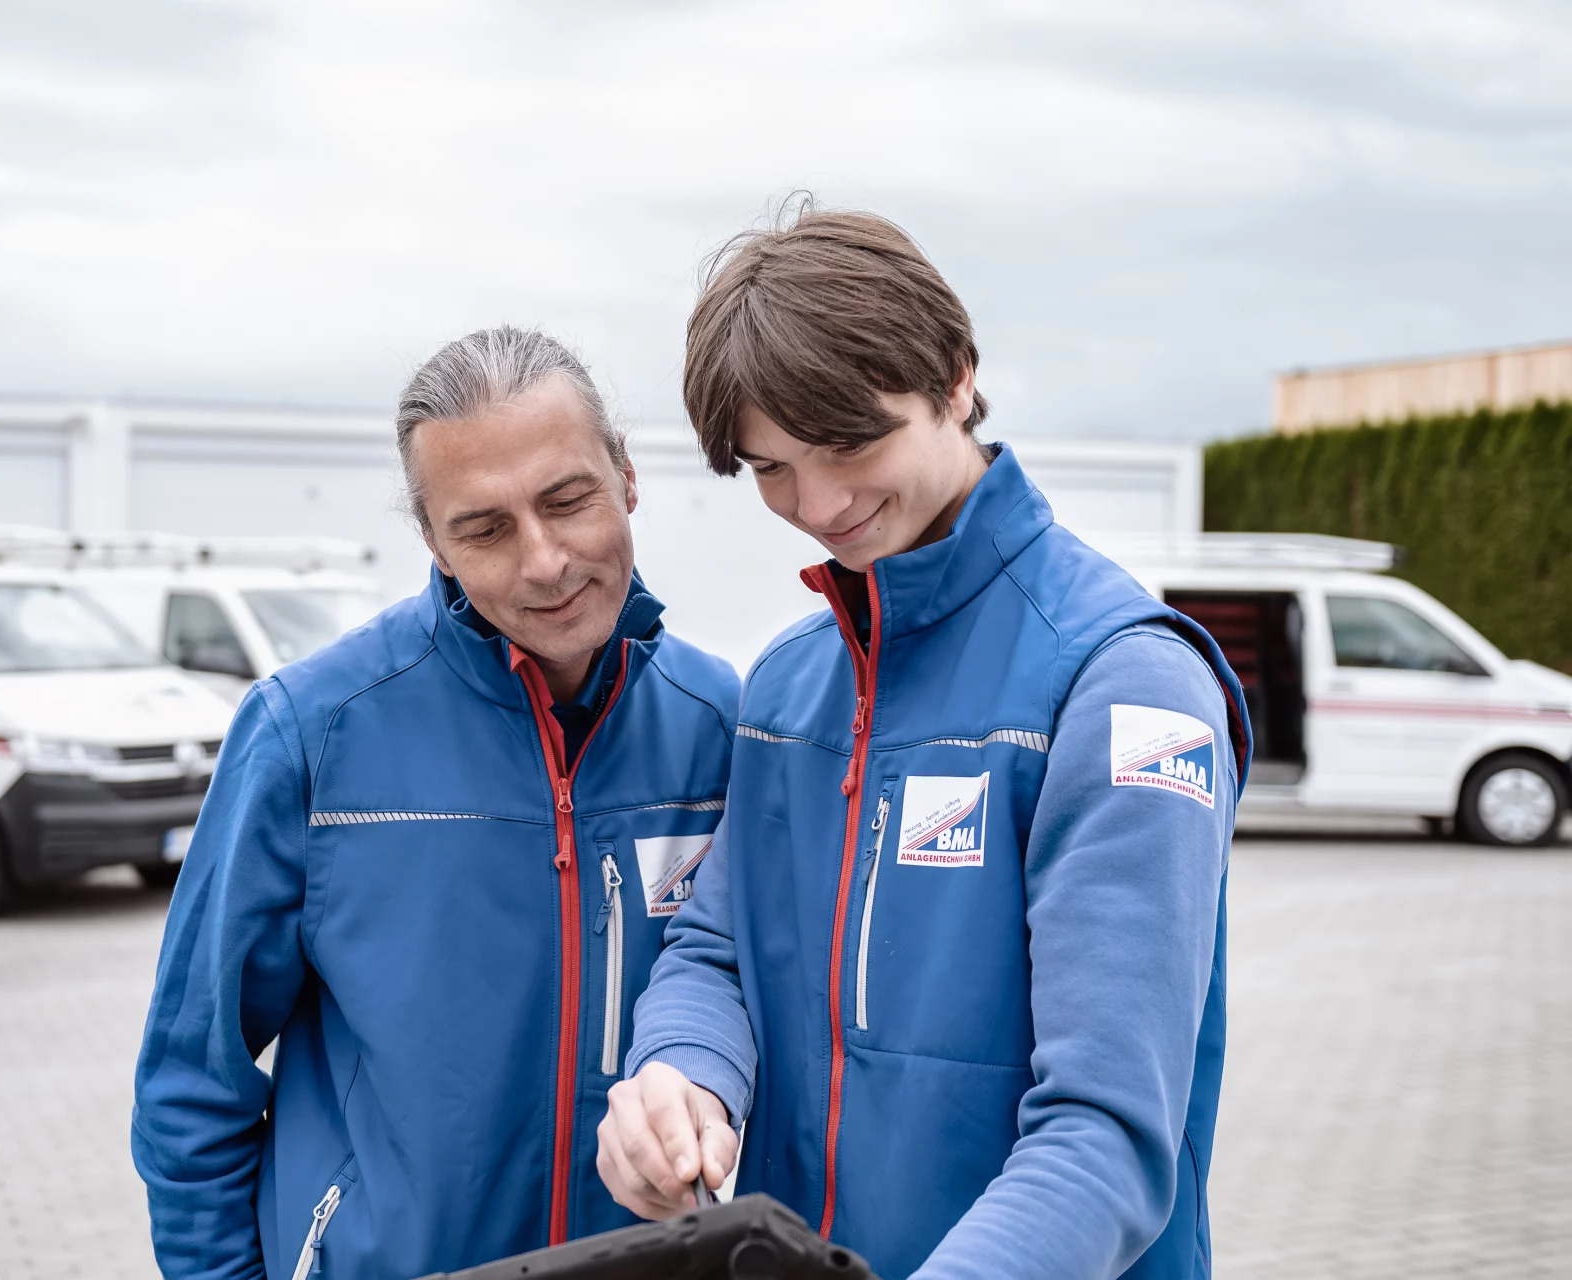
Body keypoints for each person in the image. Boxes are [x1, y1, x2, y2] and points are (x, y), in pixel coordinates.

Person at [597, 208, 1252, 1280]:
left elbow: (1108, 1134)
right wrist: (681, 1074)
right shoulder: (793, 681)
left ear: (955, 379)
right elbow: (719, 946)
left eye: (853, 444)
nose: (820, 504)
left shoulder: (1125, 682)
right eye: (771, 467)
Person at [132, 326, 740, 1279]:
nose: (543, 561)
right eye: (484, 528)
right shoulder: (312, 732)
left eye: (567, 500)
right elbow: (190, 1080)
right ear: (432, 540)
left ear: (626, 476)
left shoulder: (724, 725)